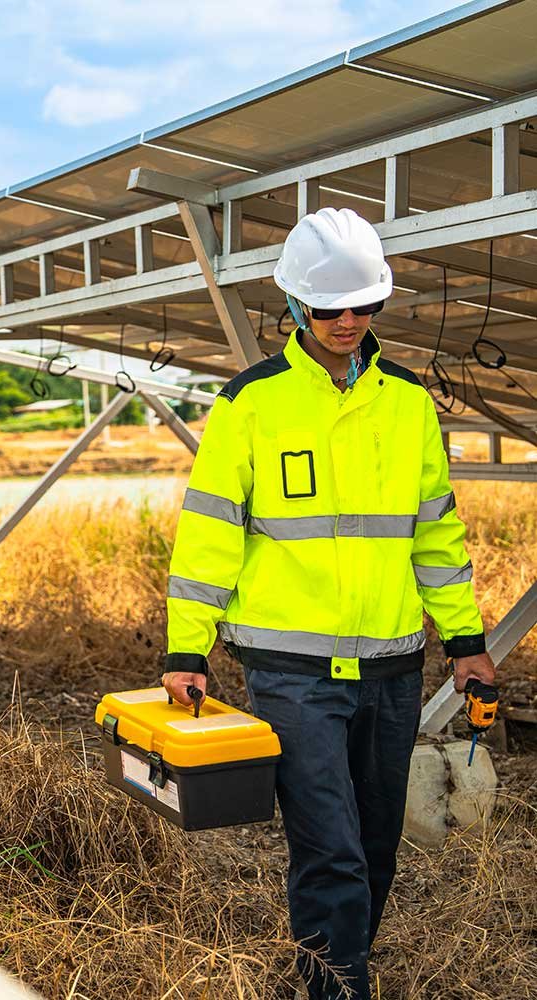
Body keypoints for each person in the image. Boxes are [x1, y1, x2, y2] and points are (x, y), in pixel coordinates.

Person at [162, 207, 497, 999]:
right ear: (294, 304)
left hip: (391, 666)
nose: (348, 322)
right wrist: (186, 648)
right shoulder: (251, 403)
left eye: (365, 305)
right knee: (331, 851)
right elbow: (209, 534)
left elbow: (435, 535)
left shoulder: (408, 403)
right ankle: (339, 992)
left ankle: (333, 974)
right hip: (291, 671)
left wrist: (466, 641)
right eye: (329, 308)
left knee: (376, 849)